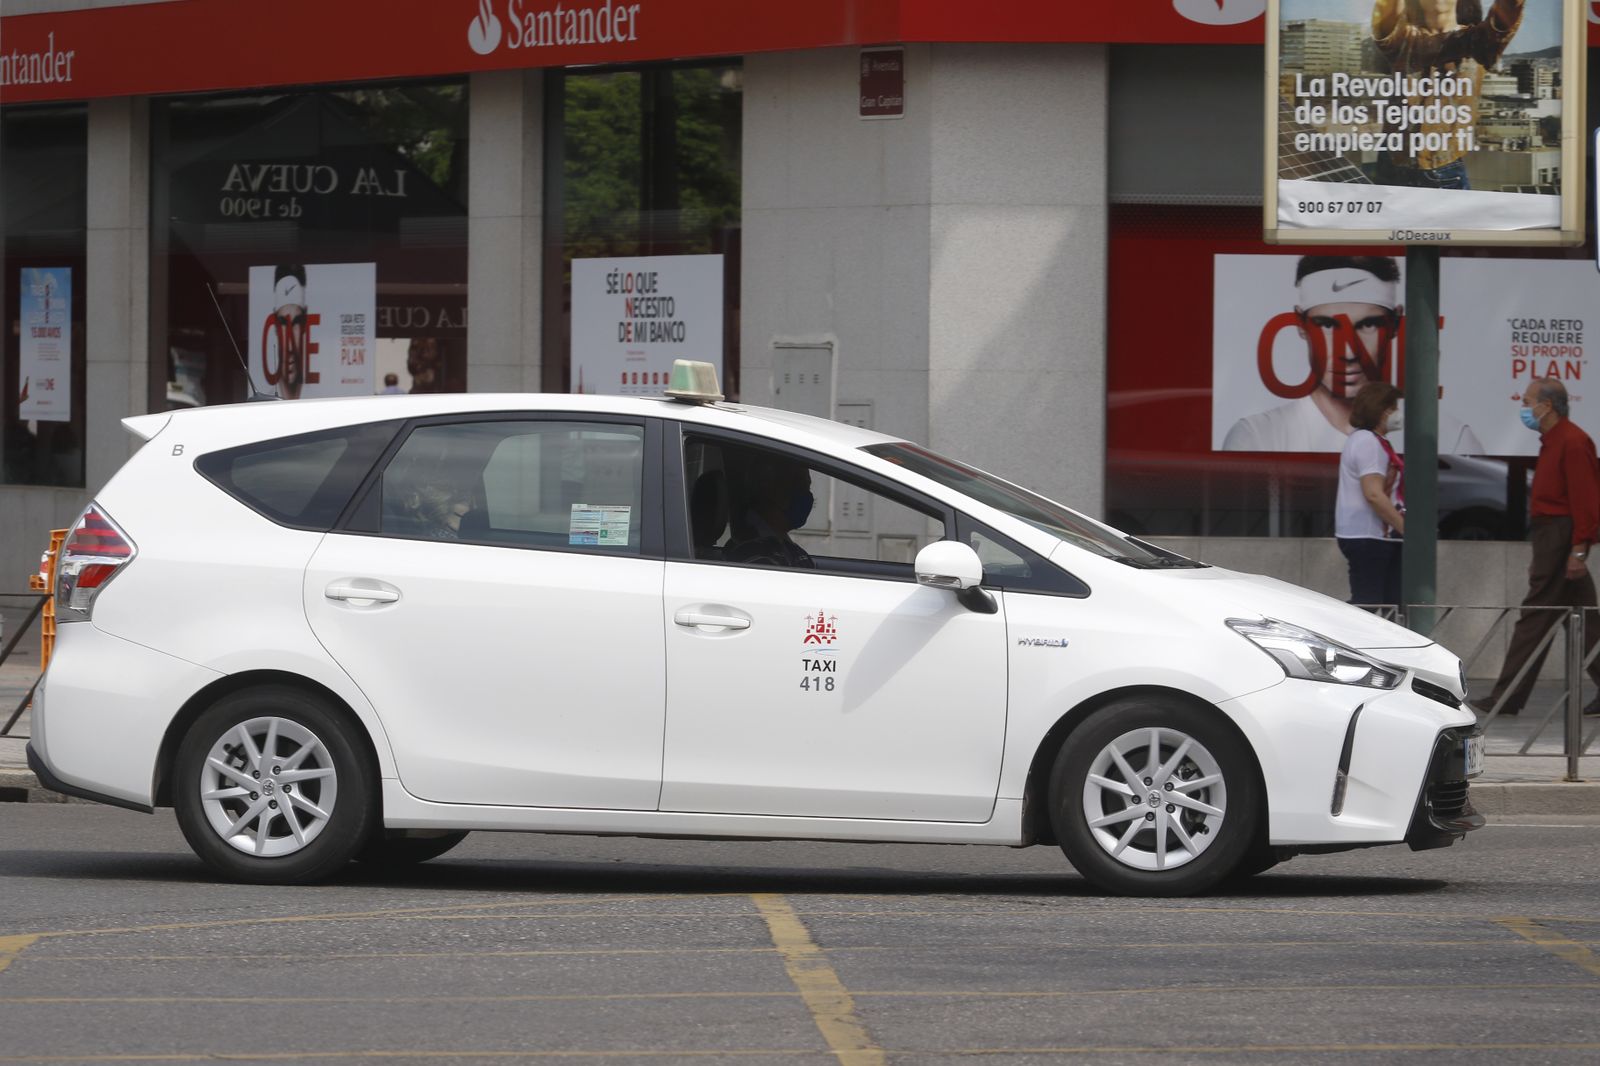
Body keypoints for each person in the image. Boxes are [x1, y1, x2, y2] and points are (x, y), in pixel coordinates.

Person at [1223, 255, 1482, 453]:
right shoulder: (1255, 437)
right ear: (1301, 325)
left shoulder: (1451, 438)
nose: (1348, 351)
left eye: (1368, 325)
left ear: (1394, 324)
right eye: (1327, 325)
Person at [1481, 378, 1600, 717]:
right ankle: (1508, 696)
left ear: (1547, 406)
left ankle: (1506, 697)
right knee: (1586, 619)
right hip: (1553, 536)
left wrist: (1578, 551)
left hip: (1559, 536)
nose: (1524, 405)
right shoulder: (1555, 440)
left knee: (1534, 617)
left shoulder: (1573, 442)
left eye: (1528, 400)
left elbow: (1586, 501)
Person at [1370, 0, 1525, 191]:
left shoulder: (1478, 41)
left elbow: (1507, 12)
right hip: (1390, 165)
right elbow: (1386, 16)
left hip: (1445, 169)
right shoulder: (1402, 39)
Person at [1337, 381, 1406, 607]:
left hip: (1372, 535)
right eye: (1393, 407)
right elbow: (1374, 494)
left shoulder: (1369, 441)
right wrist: (1405, 528)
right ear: (1381, 411)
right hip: (1368, 535)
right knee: (1368, 604)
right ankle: (1337, 636)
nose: (1397, 413)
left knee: (1385, 603)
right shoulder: (1368, 443)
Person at [725, 454, 815, 567]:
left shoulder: (787, 547)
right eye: (800, 485)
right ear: (768, 485)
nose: (807, 495)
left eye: (808, 487)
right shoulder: (754, 555)